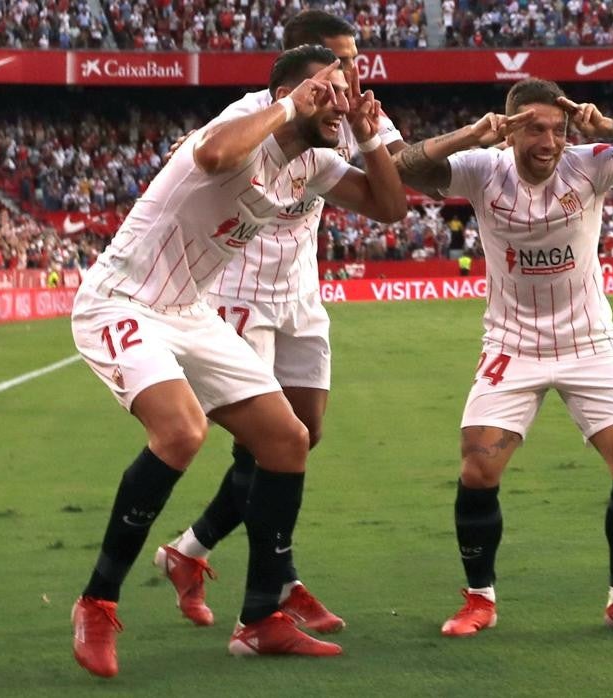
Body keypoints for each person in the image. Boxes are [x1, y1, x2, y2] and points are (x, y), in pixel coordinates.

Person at [69, 45, 406, 678]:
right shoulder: (247, 119)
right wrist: (287, 105)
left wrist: (368, 135)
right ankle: (97, 601)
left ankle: (258, 620)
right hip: (123, 300)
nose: (339, 99)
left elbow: (390, 208)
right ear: (289, 90)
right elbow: (214, 156)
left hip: (190, 310)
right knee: (181, 430)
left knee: (287, 441)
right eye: (328, 89)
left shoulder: (314, 158)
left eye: (345, 89)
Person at [395, 78, 613, 637]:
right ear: (508, 130)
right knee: (479, 467)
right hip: (512, 344)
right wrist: (469, 135)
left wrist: (605, 127)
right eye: (534, 127)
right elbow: (403, 168)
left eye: (557, 127)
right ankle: (479, 599)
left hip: (589, 342)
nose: (550, 139)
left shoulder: (590, 162)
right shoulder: (482, 167)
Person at [153, 9, 409, 635]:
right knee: (269, 442)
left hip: (300, 292)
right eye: (341, 58)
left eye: (355, 59)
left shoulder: (349, 111)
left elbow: (403, 174)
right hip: (238, 288)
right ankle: (278, 583)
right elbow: (207, 160)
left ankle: (188, 551)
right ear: (299, 60)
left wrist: (462, 141)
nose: (353, 70)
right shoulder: (252, 112)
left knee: (305, 433)